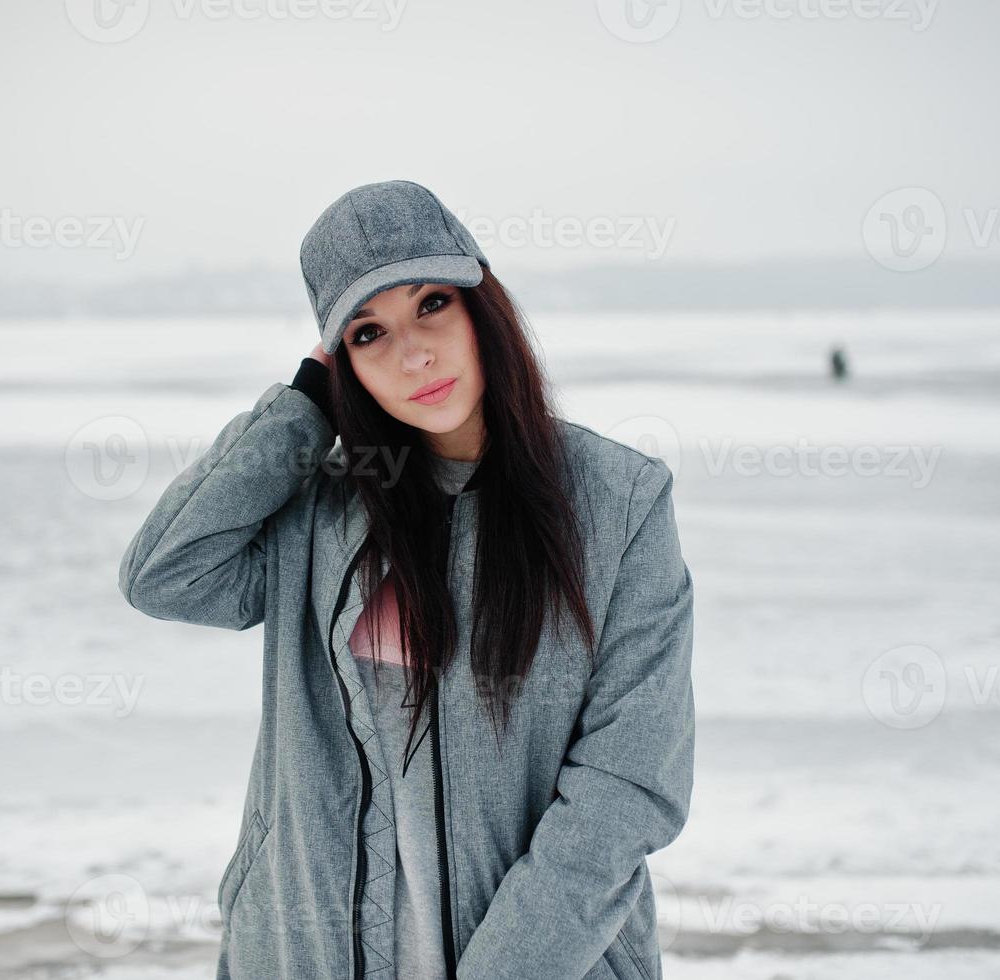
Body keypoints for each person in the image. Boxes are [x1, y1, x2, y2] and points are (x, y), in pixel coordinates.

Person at [118, 180, 696, 980]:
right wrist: (300, 409)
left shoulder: (616, 501)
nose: (412, 353)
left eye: (430, 304)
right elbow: (165, 575)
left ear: (480, 304)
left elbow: (627, 782)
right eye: (367, 332)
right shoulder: (322, 507)